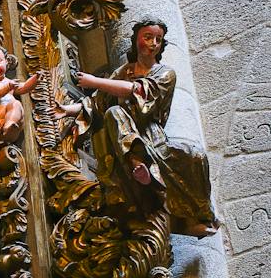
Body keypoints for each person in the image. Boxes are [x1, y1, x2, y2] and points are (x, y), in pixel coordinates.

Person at [64, 18, 217, 232]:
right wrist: (66, 110)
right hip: (121, 138)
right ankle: (137, 164)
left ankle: (200, 218)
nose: (153, 43)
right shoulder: (124, 71)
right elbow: (97, 102)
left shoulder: (165, 73)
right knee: (115, 112)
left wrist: (94, 81)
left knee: (195, 156)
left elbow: (139, 91)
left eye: (158, 39)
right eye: (148, 37)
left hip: (152, 137)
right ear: (136, 40)